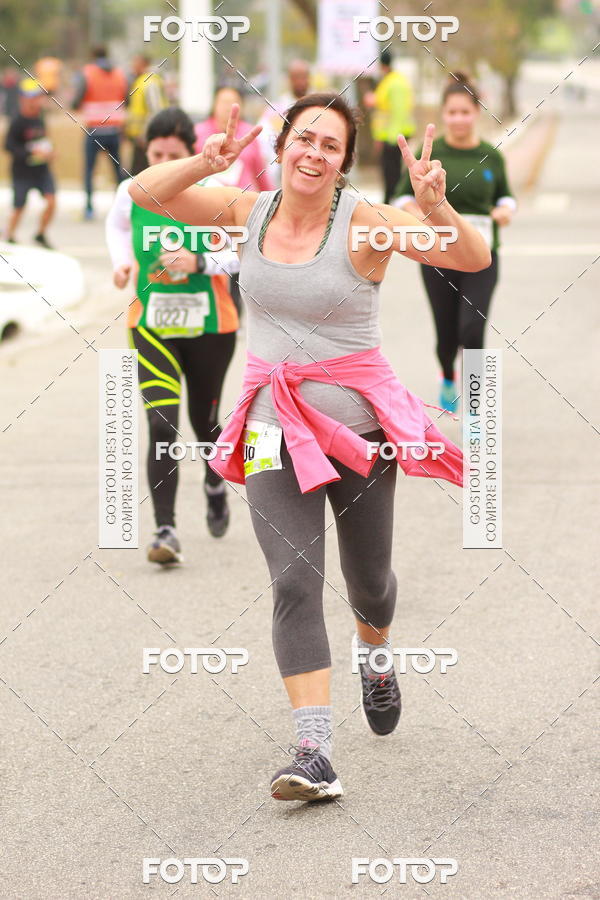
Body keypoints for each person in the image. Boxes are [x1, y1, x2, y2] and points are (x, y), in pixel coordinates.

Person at [129, 95, 490, 800]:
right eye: (304, 138)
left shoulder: (367, 224)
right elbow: (144, 193)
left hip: (360, 435)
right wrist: (204, 162)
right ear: (283, 146)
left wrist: (435, 207)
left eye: (330, 145)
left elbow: (472, 257)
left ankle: (376, 656)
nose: (314, 154)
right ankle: (314, 749)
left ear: (344, 162)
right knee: (293, 581)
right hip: (270, 429)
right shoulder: (247, 211)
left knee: (369, 582)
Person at [106, 108, 240, 563]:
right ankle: (165, 530)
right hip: (151, 325)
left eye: (173, 155)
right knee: (162, 424)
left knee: (205, 424)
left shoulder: (215, 193)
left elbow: (244, 252)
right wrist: (122, 262)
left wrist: (199, 262)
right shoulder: (131, 191)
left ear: (192, 155)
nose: (163, 164)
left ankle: (215, 482)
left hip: (211, 326)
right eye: (156, 155)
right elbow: (116, 226)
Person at [392, 72, 516, 411]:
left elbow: (506, 196)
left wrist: (506, 210)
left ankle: (477, 409)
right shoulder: (430, 155)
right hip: (438, 255)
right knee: (446, 336)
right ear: (443, 114)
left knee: (473, 331)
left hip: (481, 256)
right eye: (452, 112)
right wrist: (418, 213)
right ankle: (447, 373)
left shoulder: (491, 156)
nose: (459, 119)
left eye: (465, 112)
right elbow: (402, 196)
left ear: (477, 112)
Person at [194, 86, 275, 316]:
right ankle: (217, 310)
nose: (226, 108)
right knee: (213, 261)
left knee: (239, 264)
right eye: (222, 102)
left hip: (242, 213)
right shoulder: (199, 133)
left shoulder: (249, 134)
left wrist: (273, 203)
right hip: (209, 211)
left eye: (233, 102)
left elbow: (260, 172)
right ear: (213, 104)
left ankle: (235, 313)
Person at [72, 45, 127, 220]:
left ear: (92, 55)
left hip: (94, 129)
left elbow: (77, 100)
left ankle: (89, 208)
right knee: (117, 171)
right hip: (114, 129)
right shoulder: (119, 74)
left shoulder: (88, 73)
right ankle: (123, 207)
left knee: (89, 170)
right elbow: (127, 98)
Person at [4, 78, 56, 248]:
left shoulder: (40, 117)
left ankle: (40, 234)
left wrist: (49, 152)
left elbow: (42, 140)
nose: (37, 101)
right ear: (23, 98)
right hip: (22, 172)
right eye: (33, 97)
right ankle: (9, 236)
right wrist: (30, 152)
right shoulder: (17, 120)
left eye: (38, 96)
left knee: (51, 201)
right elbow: (8, 146)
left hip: (41, 170)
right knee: (19, 207)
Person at [364, 50, 415, 204]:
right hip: (389, 134)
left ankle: (393, 201)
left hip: (395, 135)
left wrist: (393, 138)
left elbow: (398, 112)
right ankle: (390, 200)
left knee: (392, 172)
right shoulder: (389, 80)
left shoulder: (395, 83)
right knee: (389, 171)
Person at [257, 59, 312, 186]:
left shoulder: (320, 107)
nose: (301, 81)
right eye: (296, 77)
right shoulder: (277, 109)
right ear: (289, 79)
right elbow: (263, 138)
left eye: (304, 77)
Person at [125, 54, 168, 176]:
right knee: (137, 172)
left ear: (143, 64)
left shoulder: (150, 82)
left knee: (143, 173)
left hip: (146, 137)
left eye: (135, 63)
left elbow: (156, 111)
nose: (132, 66)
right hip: (140, 137)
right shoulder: (141, 80)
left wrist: (146, 134)